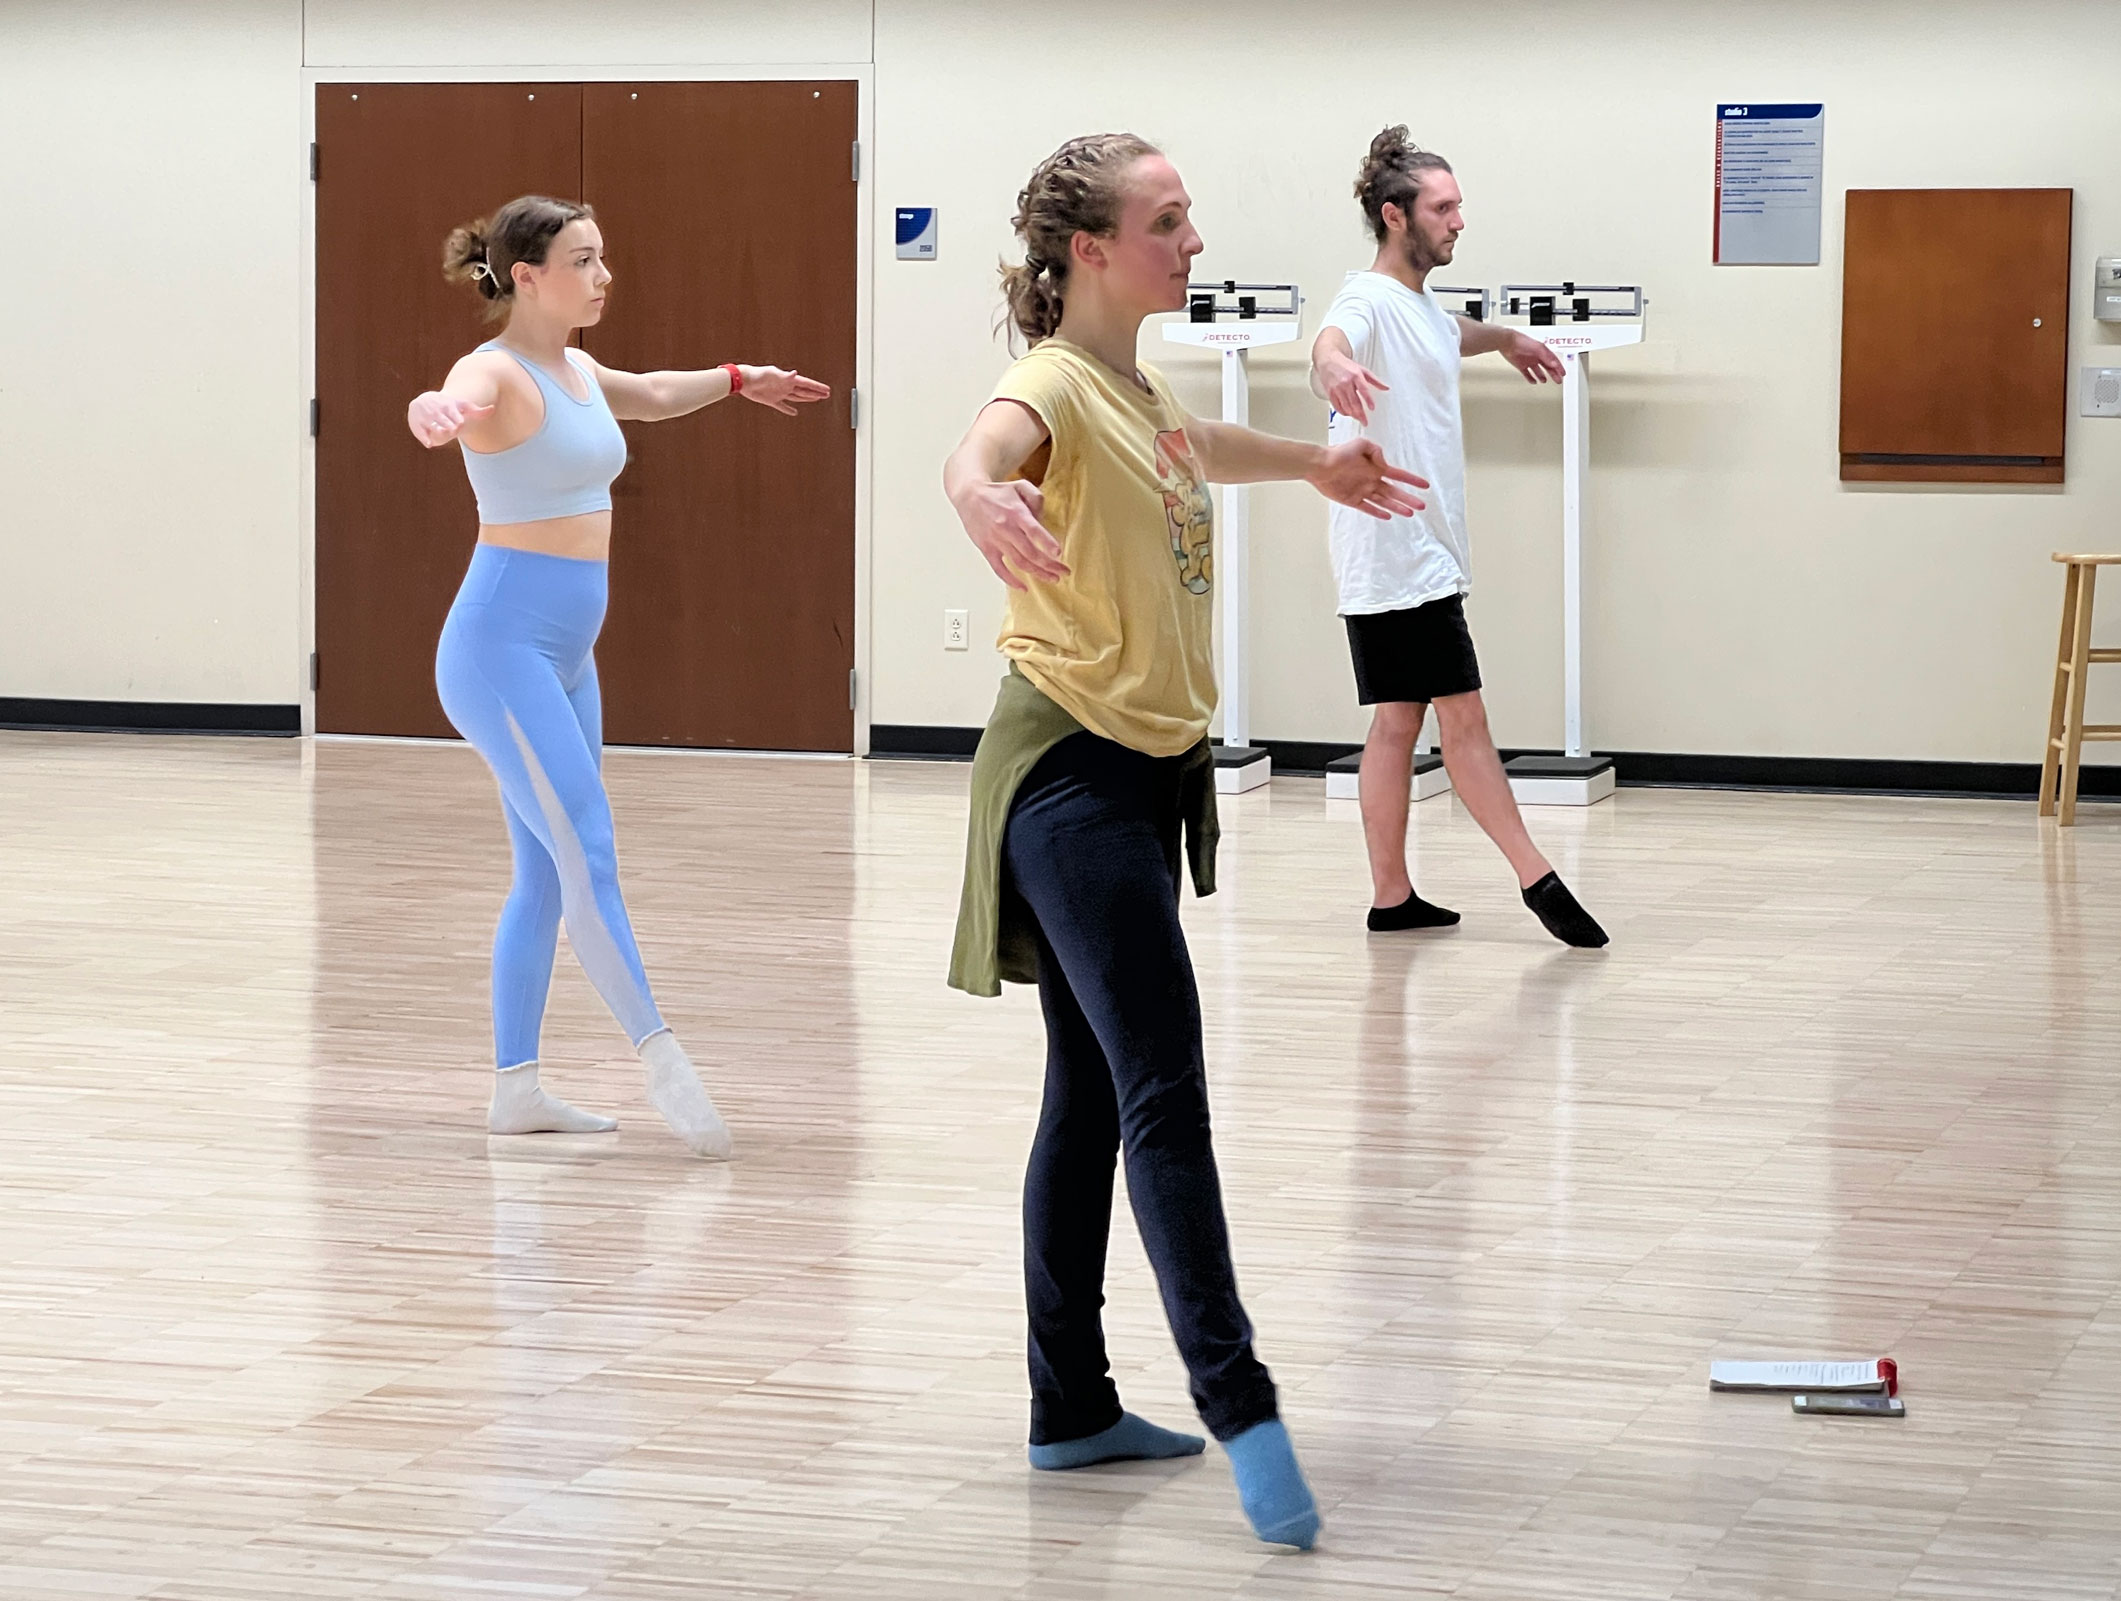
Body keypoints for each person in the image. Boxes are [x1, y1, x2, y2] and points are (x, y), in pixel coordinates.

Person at [943, 133, 1426, 1550]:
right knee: (1162, 1082)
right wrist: (975, 494)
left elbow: (1191, 447)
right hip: (1065, 782)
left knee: (1089, 1096)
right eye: (1168, 220)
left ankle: (1070, 1406)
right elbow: (982, 449)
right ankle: (1244, 1407)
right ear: (1092, 249)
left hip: (1143, 781)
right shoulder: (1044, 384)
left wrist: (1312, 466)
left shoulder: (1130, 386)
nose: (1193, 238)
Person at [404, 194, 830, 1154]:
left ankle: (516, 1089)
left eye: (603, 257)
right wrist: (436, 411)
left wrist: (736, 377)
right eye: (584, 260)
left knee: (547, 878)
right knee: (587, 850)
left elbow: (654, 393)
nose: (604, 276)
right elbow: (451, 402)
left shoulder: (578, 368)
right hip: (498, 649)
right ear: (526, 275)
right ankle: (661, 1058)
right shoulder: (495, 371)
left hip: (563, 656)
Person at [1310, 127, 1609, 949]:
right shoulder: (1364, 302)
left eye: (1458, 206)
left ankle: (1391, 896)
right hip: (1398, 554)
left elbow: (1449, 334)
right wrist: (1329, 365)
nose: (1457, 221)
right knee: (1463, 720)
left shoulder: (1420, 308)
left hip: (1409, 552)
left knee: (1395, 723)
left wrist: (1505, 336)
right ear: (1394, 216)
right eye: (1443, 208)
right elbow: (1333, 340)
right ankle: (1537, 879)